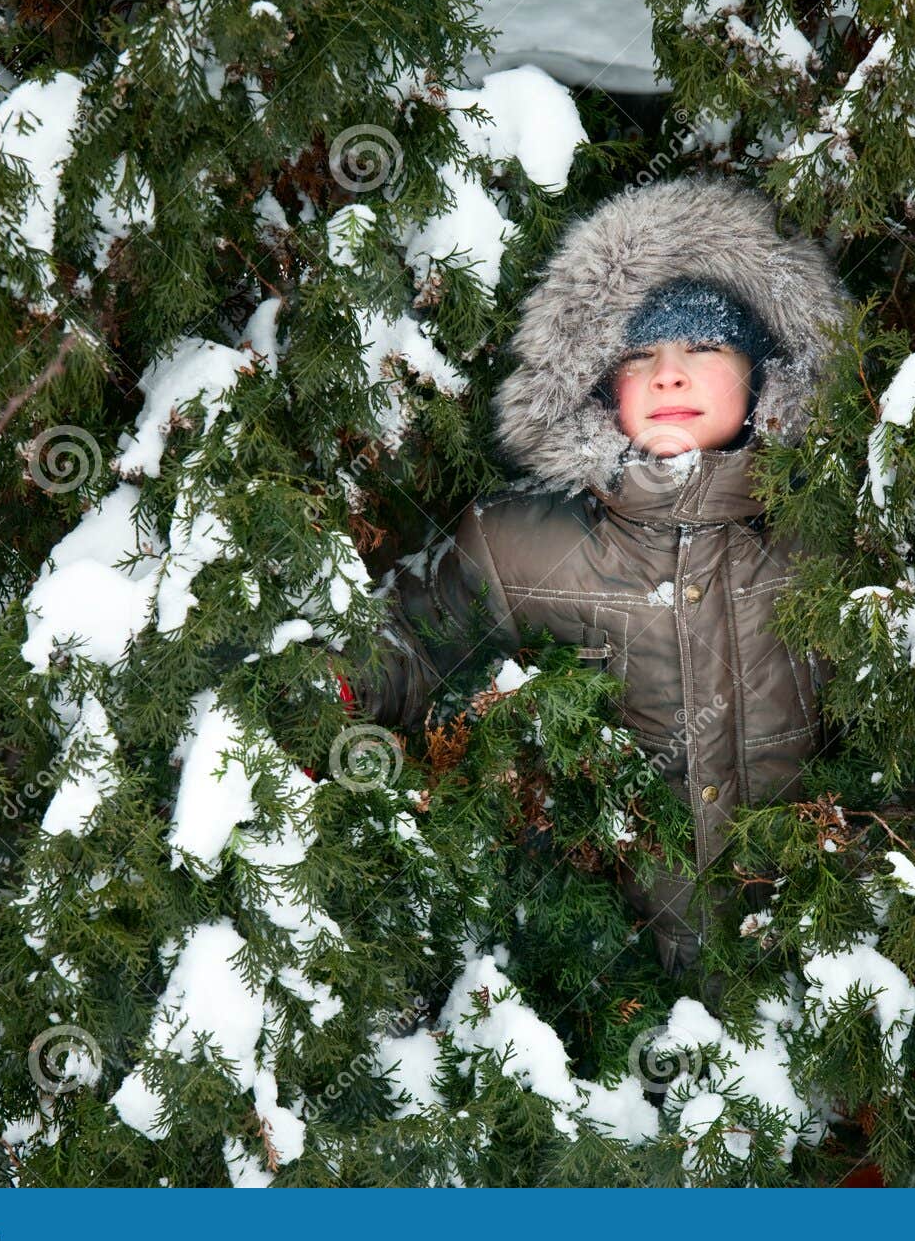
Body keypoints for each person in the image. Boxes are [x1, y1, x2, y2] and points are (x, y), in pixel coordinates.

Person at [344, 174, 849, 978]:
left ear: (766, 374)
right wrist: (341, 688)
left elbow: (897, 725)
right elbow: (407, 630)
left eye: (706, 346)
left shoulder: (824, 545)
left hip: (800, 976)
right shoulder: (523, 544)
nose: (669, 375)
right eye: (639, 353)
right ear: (598, 384)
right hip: (603, 988)